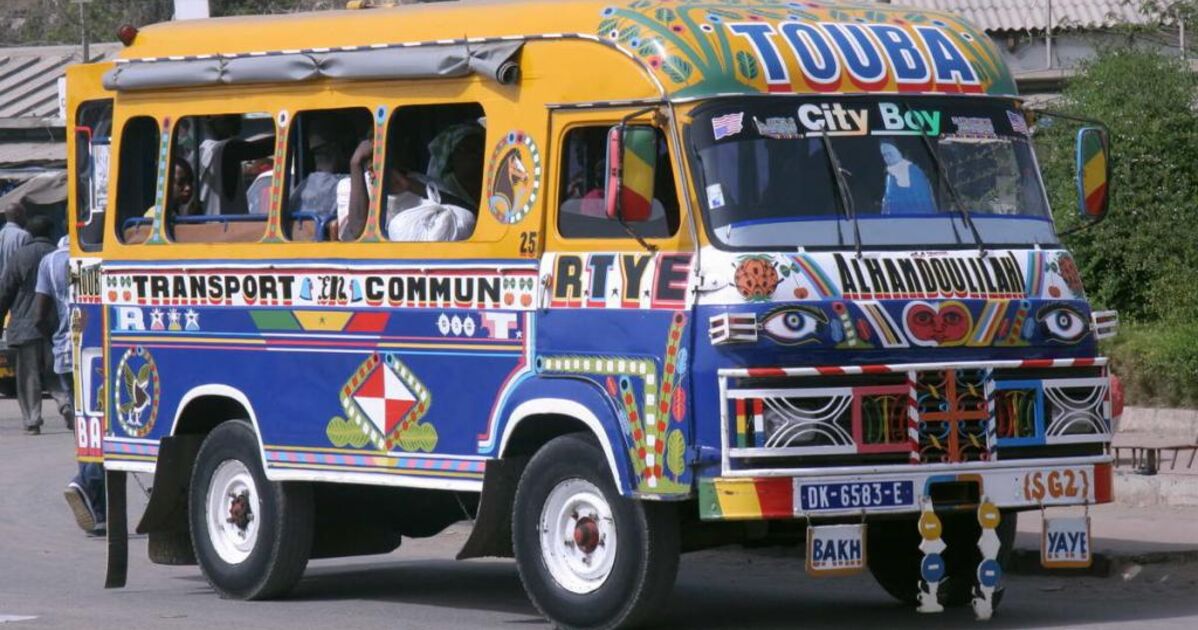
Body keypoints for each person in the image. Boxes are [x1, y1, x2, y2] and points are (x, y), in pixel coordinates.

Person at [34, 235, 105, 535]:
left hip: (65, 354)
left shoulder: (49, 263)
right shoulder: (95, 259)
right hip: (97, 352)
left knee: (87, 429)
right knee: (101, 428)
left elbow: (40, 315)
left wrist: (56, 338)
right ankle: (85, 482)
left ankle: (99, 513)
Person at [0, 216, 71, 435]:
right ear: (51, 232)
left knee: (28, 375)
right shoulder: (57, 256)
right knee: (55, 371)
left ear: (29, 234)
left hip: (24, 325)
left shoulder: (20, 256)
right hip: (54, 325)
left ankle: (32, 420)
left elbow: (6, 290)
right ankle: (65, 404)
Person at [197, 114, 273, 216]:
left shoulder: (201, 151)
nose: (237, 119)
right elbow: (259, 149)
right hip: (222, 227)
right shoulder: (222, 149)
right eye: (229, 116)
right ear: (209, 120)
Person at [879, 139, 937, 215]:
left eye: (890, 154)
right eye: (884, 155)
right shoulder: (890, 177)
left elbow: (926, 207)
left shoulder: (915, 173)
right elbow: (886, 206)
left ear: (900, 152)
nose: (887, 158)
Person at [0, 200, 30, 277]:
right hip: (15, 284)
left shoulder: (1, 233)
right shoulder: (23, 235)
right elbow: (26, 263)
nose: (26, 219)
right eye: (25, 215)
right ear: (18, 215)